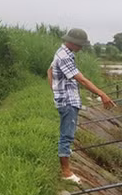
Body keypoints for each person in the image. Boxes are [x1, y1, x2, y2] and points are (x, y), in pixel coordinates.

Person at [47, 28, 115, 184]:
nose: (81, 48)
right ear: (73, 42)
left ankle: (67, 169)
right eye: (80, 44)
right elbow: (82, 80)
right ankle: (66, 173)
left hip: (65, 100)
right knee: (67, 136)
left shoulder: (61, 52)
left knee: (67, 134)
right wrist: (102, 95)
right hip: (68, 102)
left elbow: (49, 71)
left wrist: (56, 91)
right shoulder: (65, 57)